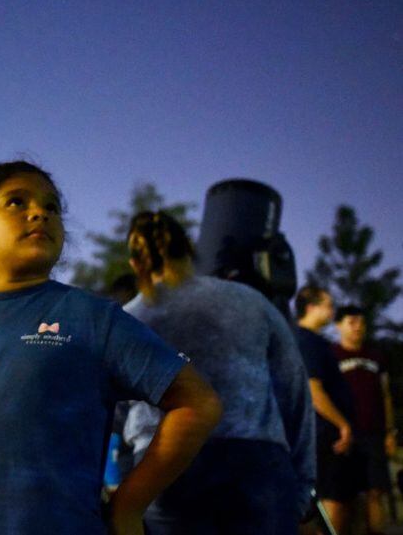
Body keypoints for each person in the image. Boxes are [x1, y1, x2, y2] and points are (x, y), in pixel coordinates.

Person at [0, 162, 222, 535]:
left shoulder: (93, 318)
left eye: (51, 207)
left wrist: (129, 506)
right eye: (16, 202)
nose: (40, 213)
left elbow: (197, 403)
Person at [122, 211, 315, 535]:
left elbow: (110, 411)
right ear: (189, 251)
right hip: (256, 464)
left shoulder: (127, 318)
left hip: (163, 467)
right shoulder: (250, 302)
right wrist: (304, 483)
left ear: (134, 263)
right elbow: (294, 390)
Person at [294, 285, 359, 533]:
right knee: (333, 500)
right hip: (326, 434)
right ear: (311, 307)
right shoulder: (307, 341)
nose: (332, 310)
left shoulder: (316, 341)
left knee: (342, 499)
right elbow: (313, 391)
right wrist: (342, 424)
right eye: (328, 305)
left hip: (326, 433)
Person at [334, 305, 396, 535]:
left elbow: (385, 393)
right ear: (338, 326)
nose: (358, 327)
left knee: (376, 491)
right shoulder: (331, 355)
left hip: (374, 434)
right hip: (343, 435)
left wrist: (390, 432)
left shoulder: (376, 357)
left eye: (361, 322)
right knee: (345, 497)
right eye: (352, 322)